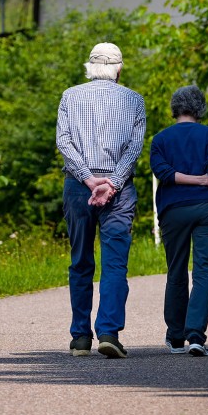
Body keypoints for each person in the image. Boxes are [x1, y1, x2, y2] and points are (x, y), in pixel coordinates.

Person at [55, 42, 146, 359]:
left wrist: (88, 178)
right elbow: (134, 148)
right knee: (114, 263)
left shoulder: (70, 96)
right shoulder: (134, 100)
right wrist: (114, 183)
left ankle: (81, 337)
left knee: (80, 260)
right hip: (118, 191)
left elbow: (63, 141)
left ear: (90, 68)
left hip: (79, 188)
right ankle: (108, 333)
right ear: (119, 69)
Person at [149, 85, 208, 357]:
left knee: (176, 270)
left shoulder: (160, 139)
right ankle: (196, 336)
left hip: (173, 210)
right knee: (204, 272)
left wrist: (193, 180)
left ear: (175, 108)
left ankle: (176, 337)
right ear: (200, 108)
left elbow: (163, 173)